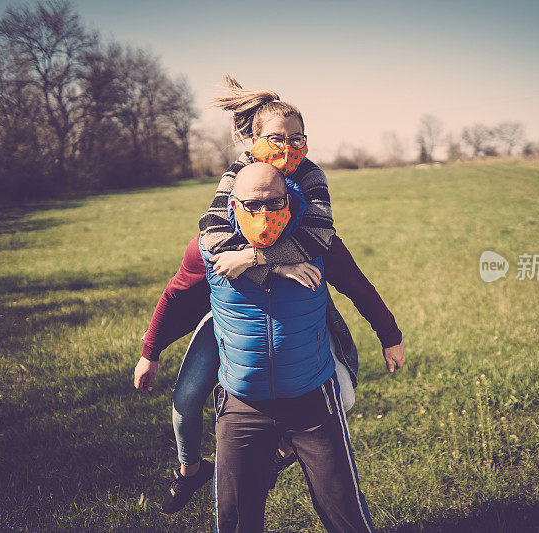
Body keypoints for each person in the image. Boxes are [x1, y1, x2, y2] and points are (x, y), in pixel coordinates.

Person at [133, 76, 406, 514]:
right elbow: (198, 263)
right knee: (186, 398)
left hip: (296, 317)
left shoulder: (310, 185)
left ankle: (281, 452)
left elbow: (339, 260)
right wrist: (151, 350)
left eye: (297, 138)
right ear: (252, 141)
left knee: (344, 397)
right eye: (277, 139)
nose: (288, 148)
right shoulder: (234, 185)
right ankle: (188, 469)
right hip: (232, 316)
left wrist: (263, 260)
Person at [206, 162, 375, 532]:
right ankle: (189, 469)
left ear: (289, 201)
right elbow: (177, 298)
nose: (264, 213)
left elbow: (359, 287)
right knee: (235, 517)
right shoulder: (210, 249)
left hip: (312, 397)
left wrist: (390, 336)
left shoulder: (317, 243)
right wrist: (149, 352)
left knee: (343, 508)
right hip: (241, 403)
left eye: (274, 203)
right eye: (253, 204)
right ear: (233, 205)